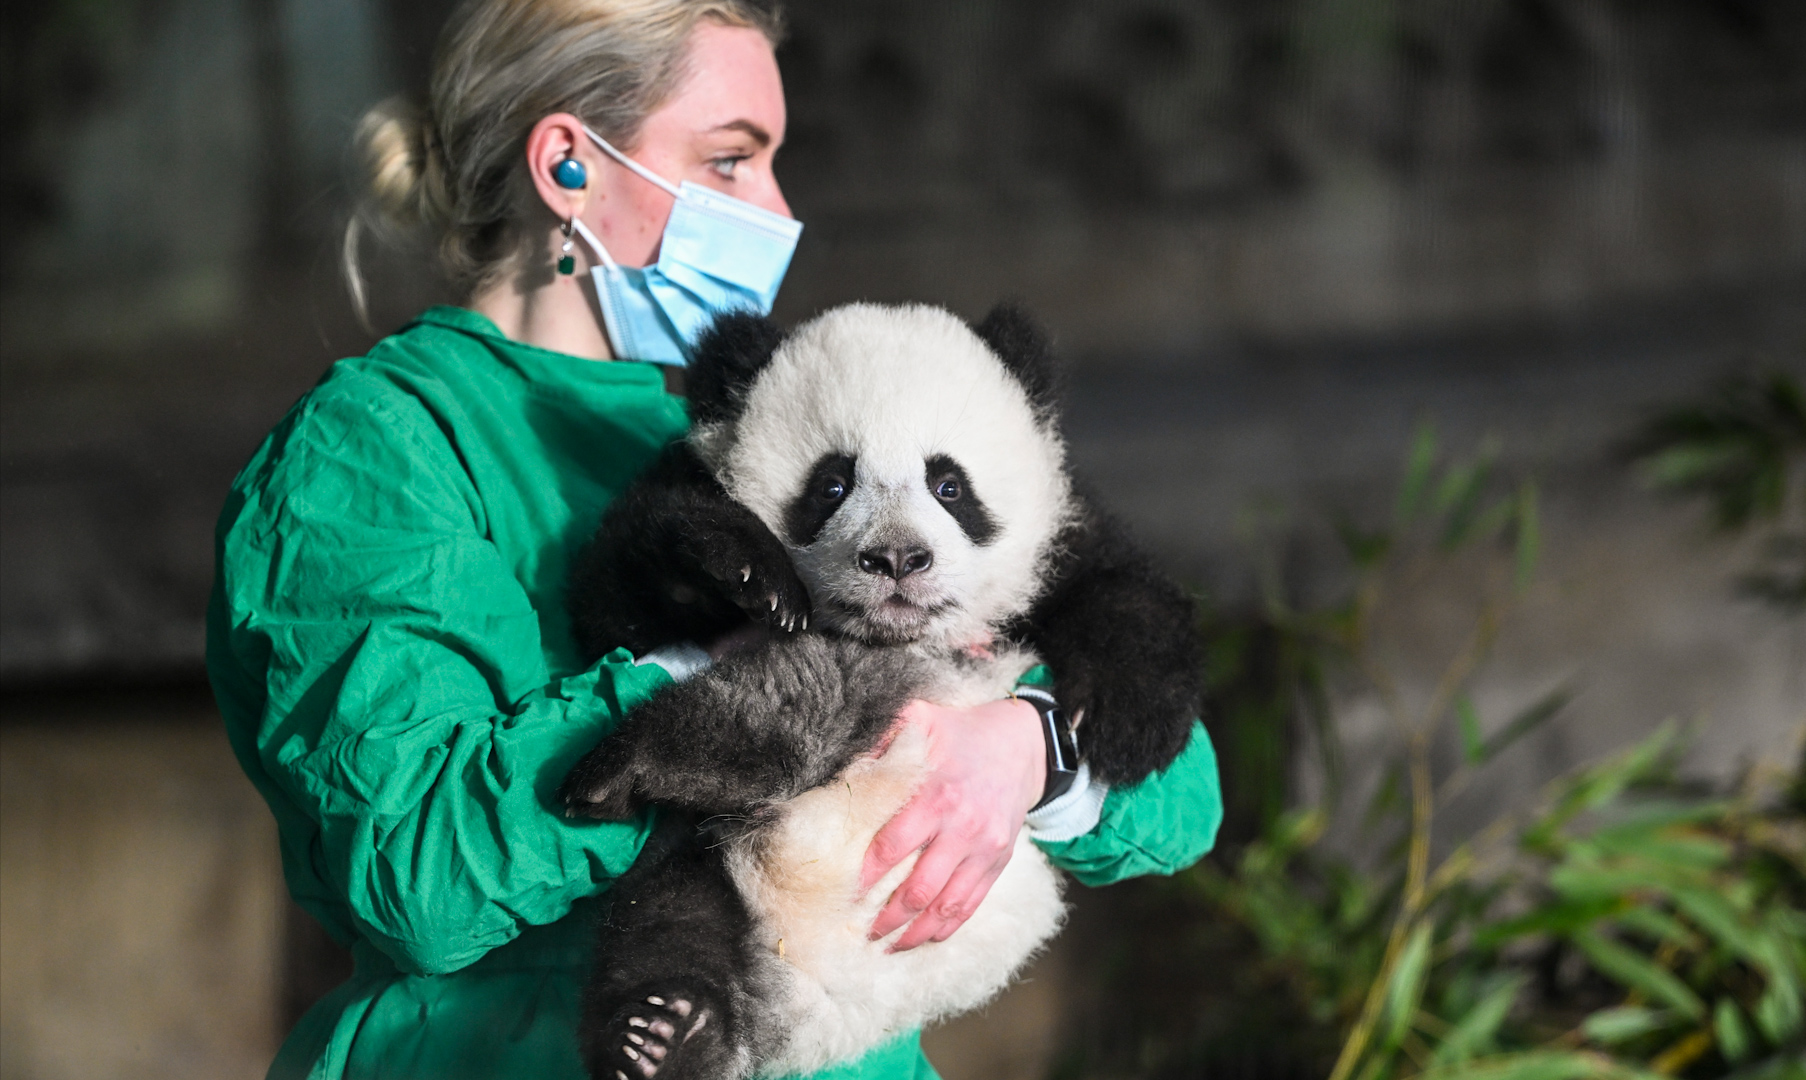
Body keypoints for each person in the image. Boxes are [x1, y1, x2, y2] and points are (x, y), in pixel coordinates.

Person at [205, 1, 1223, 1077]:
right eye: (732, 161)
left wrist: (1018, 748)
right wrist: (731, 688)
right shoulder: (371, 451)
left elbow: (1180, 787)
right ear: (568, 166)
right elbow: (418, 873)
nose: (780, 211)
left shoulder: (766, 431)